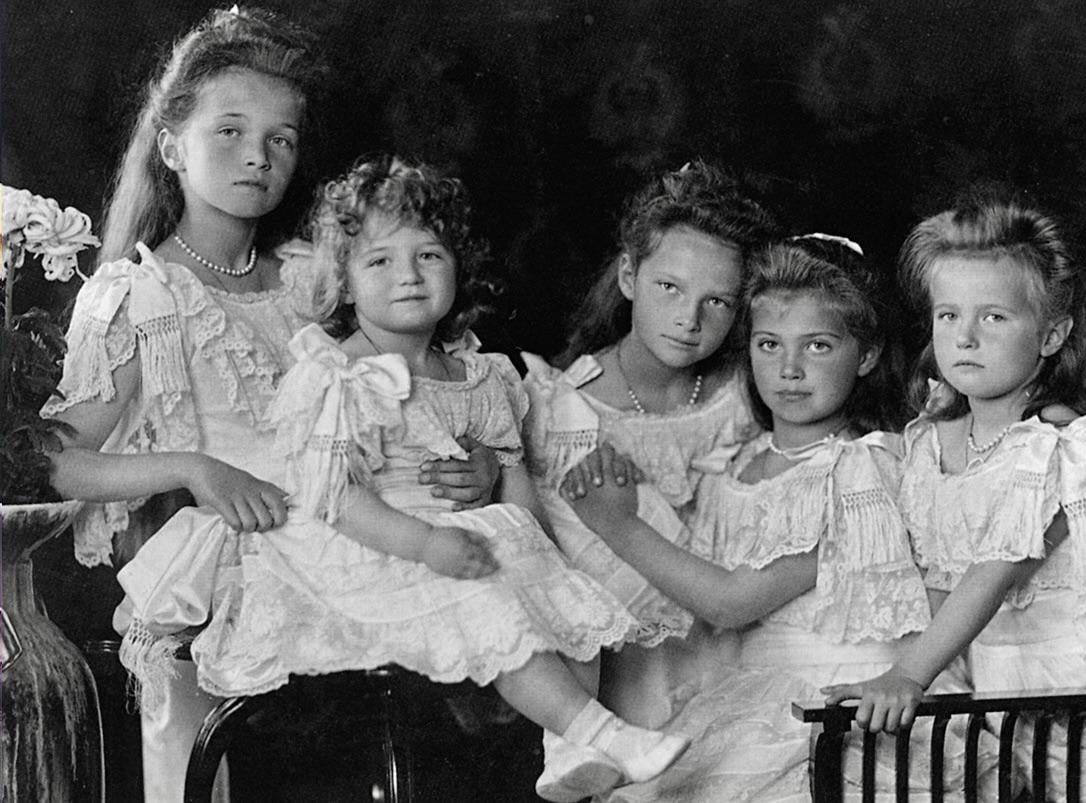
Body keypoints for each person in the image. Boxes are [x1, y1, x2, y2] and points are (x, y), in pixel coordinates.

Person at [116, 155, 693, 803]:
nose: (409, 276)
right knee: (488, 593)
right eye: (380, 261)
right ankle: (603, 732)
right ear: (345, 283)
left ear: (458, 266)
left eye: (429, 256)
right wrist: (425, 543)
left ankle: (566, 744)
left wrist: (536, 552)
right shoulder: (337, 374)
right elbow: (334, 496)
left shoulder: (479, 374)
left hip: (450, 537)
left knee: (565, 587)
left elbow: (513, 478)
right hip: (358, 550)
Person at [40, 10, 492, 800]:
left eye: (281, 139)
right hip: (227, 591)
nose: (258, 155)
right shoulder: (142, 296)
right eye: (231, 132)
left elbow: (418, 387)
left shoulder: (314, 280)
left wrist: (475, 460)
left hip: (353, 549)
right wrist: (196, 468)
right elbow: (52, 461)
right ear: (172, 147)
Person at [824, 194, 1086, 800]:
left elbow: (995, 571)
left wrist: (908, 675)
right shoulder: (928, 444)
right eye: (949, 315)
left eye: (994, 317)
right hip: (1012, 698)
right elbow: (939, 584)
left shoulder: (1067, 448)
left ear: (1051, 336)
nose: (965, 337)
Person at [565, 235, 937, 801]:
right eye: (768, 345)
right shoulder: (736, 467)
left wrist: (617, 525)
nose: (788, 370)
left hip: (840, 712)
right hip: (752, 697)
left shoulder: (859, 468)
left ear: (865, 355)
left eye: (817, 346)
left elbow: (731, 602)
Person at [521, 161, 776, 735]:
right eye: (670, 288)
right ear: (629, 277)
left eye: (717, 302)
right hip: (621, 684)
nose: (689, 319)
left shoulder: (748, 395)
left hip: (743, 660)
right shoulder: (562, 413)